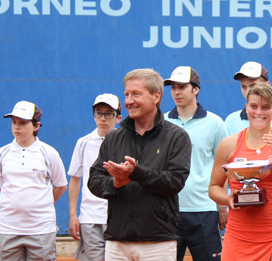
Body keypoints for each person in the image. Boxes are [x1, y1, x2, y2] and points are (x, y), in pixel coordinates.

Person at [88, 68, 191, 261]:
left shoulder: (177, 137)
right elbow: (94, 180)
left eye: (136, 94)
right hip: (117, 242)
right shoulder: (113, 138)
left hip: (158, 244)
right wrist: (116, 183)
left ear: (156, 96)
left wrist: (136, 172)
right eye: (126, 94)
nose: (128, 101)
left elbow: (175, 182)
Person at [209, 84, 272, 261]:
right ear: (246, 108)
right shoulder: (229, 144)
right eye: (253, 106)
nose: (259, 112)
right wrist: (228, 199)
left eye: (266, 107)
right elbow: (214, 187)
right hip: (238, 237)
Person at [224, 61, 272, 223]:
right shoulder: (231, 121)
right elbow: (225, 170)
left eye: (252, 85)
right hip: (241, 210)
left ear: (267, 85)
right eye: (243, 86)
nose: (248, 91)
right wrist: (225, 202)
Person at [163, 66, 226, 261]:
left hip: (205, 211)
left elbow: (223, 168)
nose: (176, 92)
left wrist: (222, 208)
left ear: (195, 89)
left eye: (182, 87)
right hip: (169, 211)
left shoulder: (215, 123)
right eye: (173, 87)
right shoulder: (162, 123)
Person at [0, 100, 68, 260]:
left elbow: (61, 186)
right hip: (8, 228)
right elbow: (1, 187)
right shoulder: (2, 153)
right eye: (14, 122)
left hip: (41, 229)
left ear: (36, 126)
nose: (17, 127)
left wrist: (41, 204)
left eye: (22, 123)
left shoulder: (48, 153)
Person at [68, 93, 122, 261]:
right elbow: (75, 179)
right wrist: (72, 214)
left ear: (118, 117)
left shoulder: (127, 141)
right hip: (90, 217)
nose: (103, 118)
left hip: (119, 217)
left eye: (108, 113)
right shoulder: (83, 143)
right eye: (99, 113)